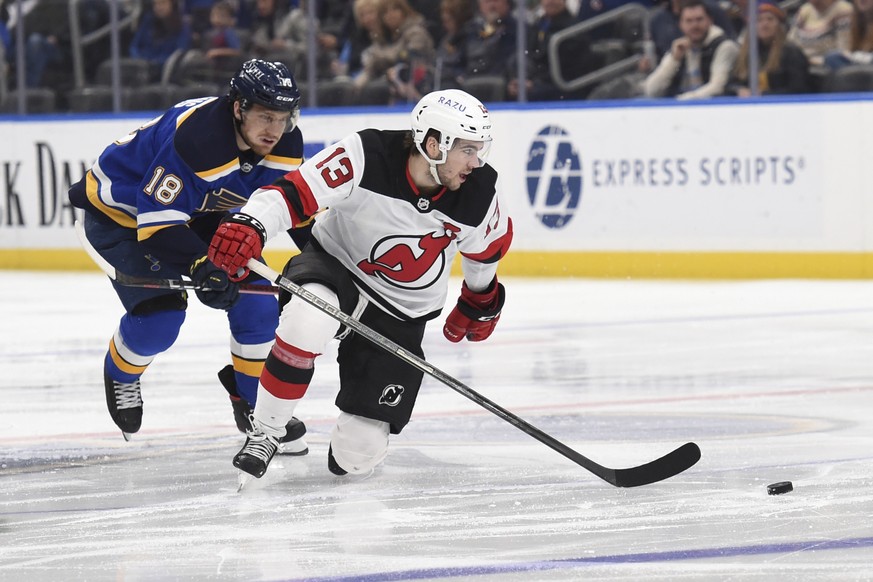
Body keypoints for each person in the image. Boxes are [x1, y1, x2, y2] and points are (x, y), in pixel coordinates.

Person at [207, 88, 513, 479]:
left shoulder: (481, 190)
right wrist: (252, 223)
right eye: (468, 150)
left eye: (480, 149)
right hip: (337, 267)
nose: (476, 161)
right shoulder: (367, 153)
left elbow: (485, 251)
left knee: (357, 458)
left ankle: (351, 449)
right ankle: (266, 432)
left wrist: (479, 299)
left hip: (401, 311)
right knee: (307, 319)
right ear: (434, 144)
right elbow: (295, 192)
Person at [69, 60, 310, 452]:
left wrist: (327, 259)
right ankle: (121, 372)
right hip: (122, 215)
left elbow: (292, 210)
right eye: (265, 116)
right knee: (160, 319)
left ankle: (256, 407)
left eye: (283, 118)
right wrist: (202, 264)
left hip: (195, 213)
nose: (275, 130)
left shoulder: (285, 144)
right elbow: (156, 223)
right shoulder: (201, 140)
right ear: (238, 108)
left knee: (257, 301)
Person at [507, 0, 601, 101]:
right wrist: (519, 79)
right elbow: (527, 55)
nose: (550, 1)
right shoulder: (538, 25)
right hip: (539, 82)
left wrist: (534, 84)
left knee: (529, 95)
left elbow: (568, 70)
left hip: (563, 87)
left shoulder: (573, 30)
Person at [644, 0, 739, 98]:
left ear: (710, 21)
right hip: (683, 107)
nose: (694, 26)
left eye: (699, 19)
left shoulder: (724, 46)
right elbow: (651, 90)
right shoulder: (680, 47)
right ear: (681, 24)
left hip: (716, 108)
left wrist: (681, 101)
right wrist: (674, 60)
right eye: (689, 21)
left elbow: (717, 87)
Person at [726, 0, 813, 96]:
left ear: (779, 25)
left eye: (770, 19)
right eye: (759, 20)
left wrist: (764, 95)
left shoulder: (791, 53)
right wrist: (739, 90)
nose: (765, 24)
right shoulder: (746, 53)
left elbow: (798, 89)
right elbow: (730, 84)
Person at [788, 0, 853, 67]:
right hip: (799, 64)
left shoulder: (843, 10)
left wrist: (808, 60)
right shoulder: (805, 10)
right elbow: (790, 41)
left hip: (826, 68)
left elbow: (843, 52)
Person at [823, 0, 873, 69]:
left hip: (868, 65)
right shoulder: (852, 22)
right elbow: (846, 49)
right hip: (859, 66)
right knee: (832, 57)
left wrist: (854, 56)